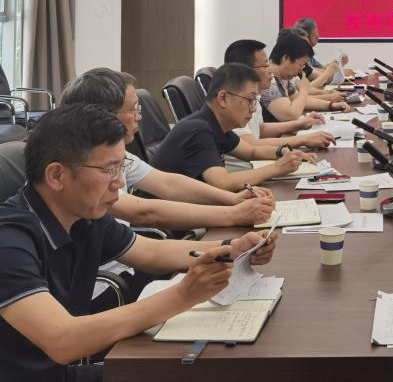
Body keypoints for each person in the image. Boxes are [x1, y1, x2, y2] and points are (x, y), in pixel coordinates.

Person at [0, 104, 278, 382]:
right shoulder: (9, 242)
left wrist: (233, 248)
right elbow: (63, 340)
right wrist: (183, 295)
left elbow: (152, 252)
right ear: (56, 176)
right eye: (109, 169)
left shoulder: (84, 215)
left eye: (121, 167)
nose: (119, 182)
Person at [60, 69, 275, 229]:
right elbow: (144, 212)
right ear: (103, 116)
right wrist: (233, 214)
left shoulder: (119, 154)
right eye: (133, 109)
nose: (139, 116)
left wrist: (232, 200)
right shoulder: (82, 169)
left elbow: (168, 183)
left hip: (130, 253)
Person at [151, 63, 316, 191]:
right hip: (168, 217)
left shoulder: (216, 124)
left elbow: (251, 151)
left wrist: (284, 152)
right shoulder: (199, 130)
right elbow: (223, 182)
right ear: (223, 98)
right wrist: (278, 167)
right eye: (250, 100)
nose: (253, 109)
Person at [224, 39, 333, 147]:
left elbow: (260, 129)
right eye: (265, 66)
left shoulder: (253, 96)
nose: (270, 70)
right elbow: (251, 144)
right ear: (245, 69)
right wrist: (303, 139)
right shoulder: (234, 101)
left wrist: (301, 123)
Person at [263, 33, 350, 121]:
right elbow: (290, 114)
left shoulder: (283, 78)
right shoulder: (268, 80)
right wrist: (304, 90)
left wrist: (330, 105)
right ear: (286, 58)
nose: (301, 70)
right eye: (301, 64)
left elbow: (298, 100)